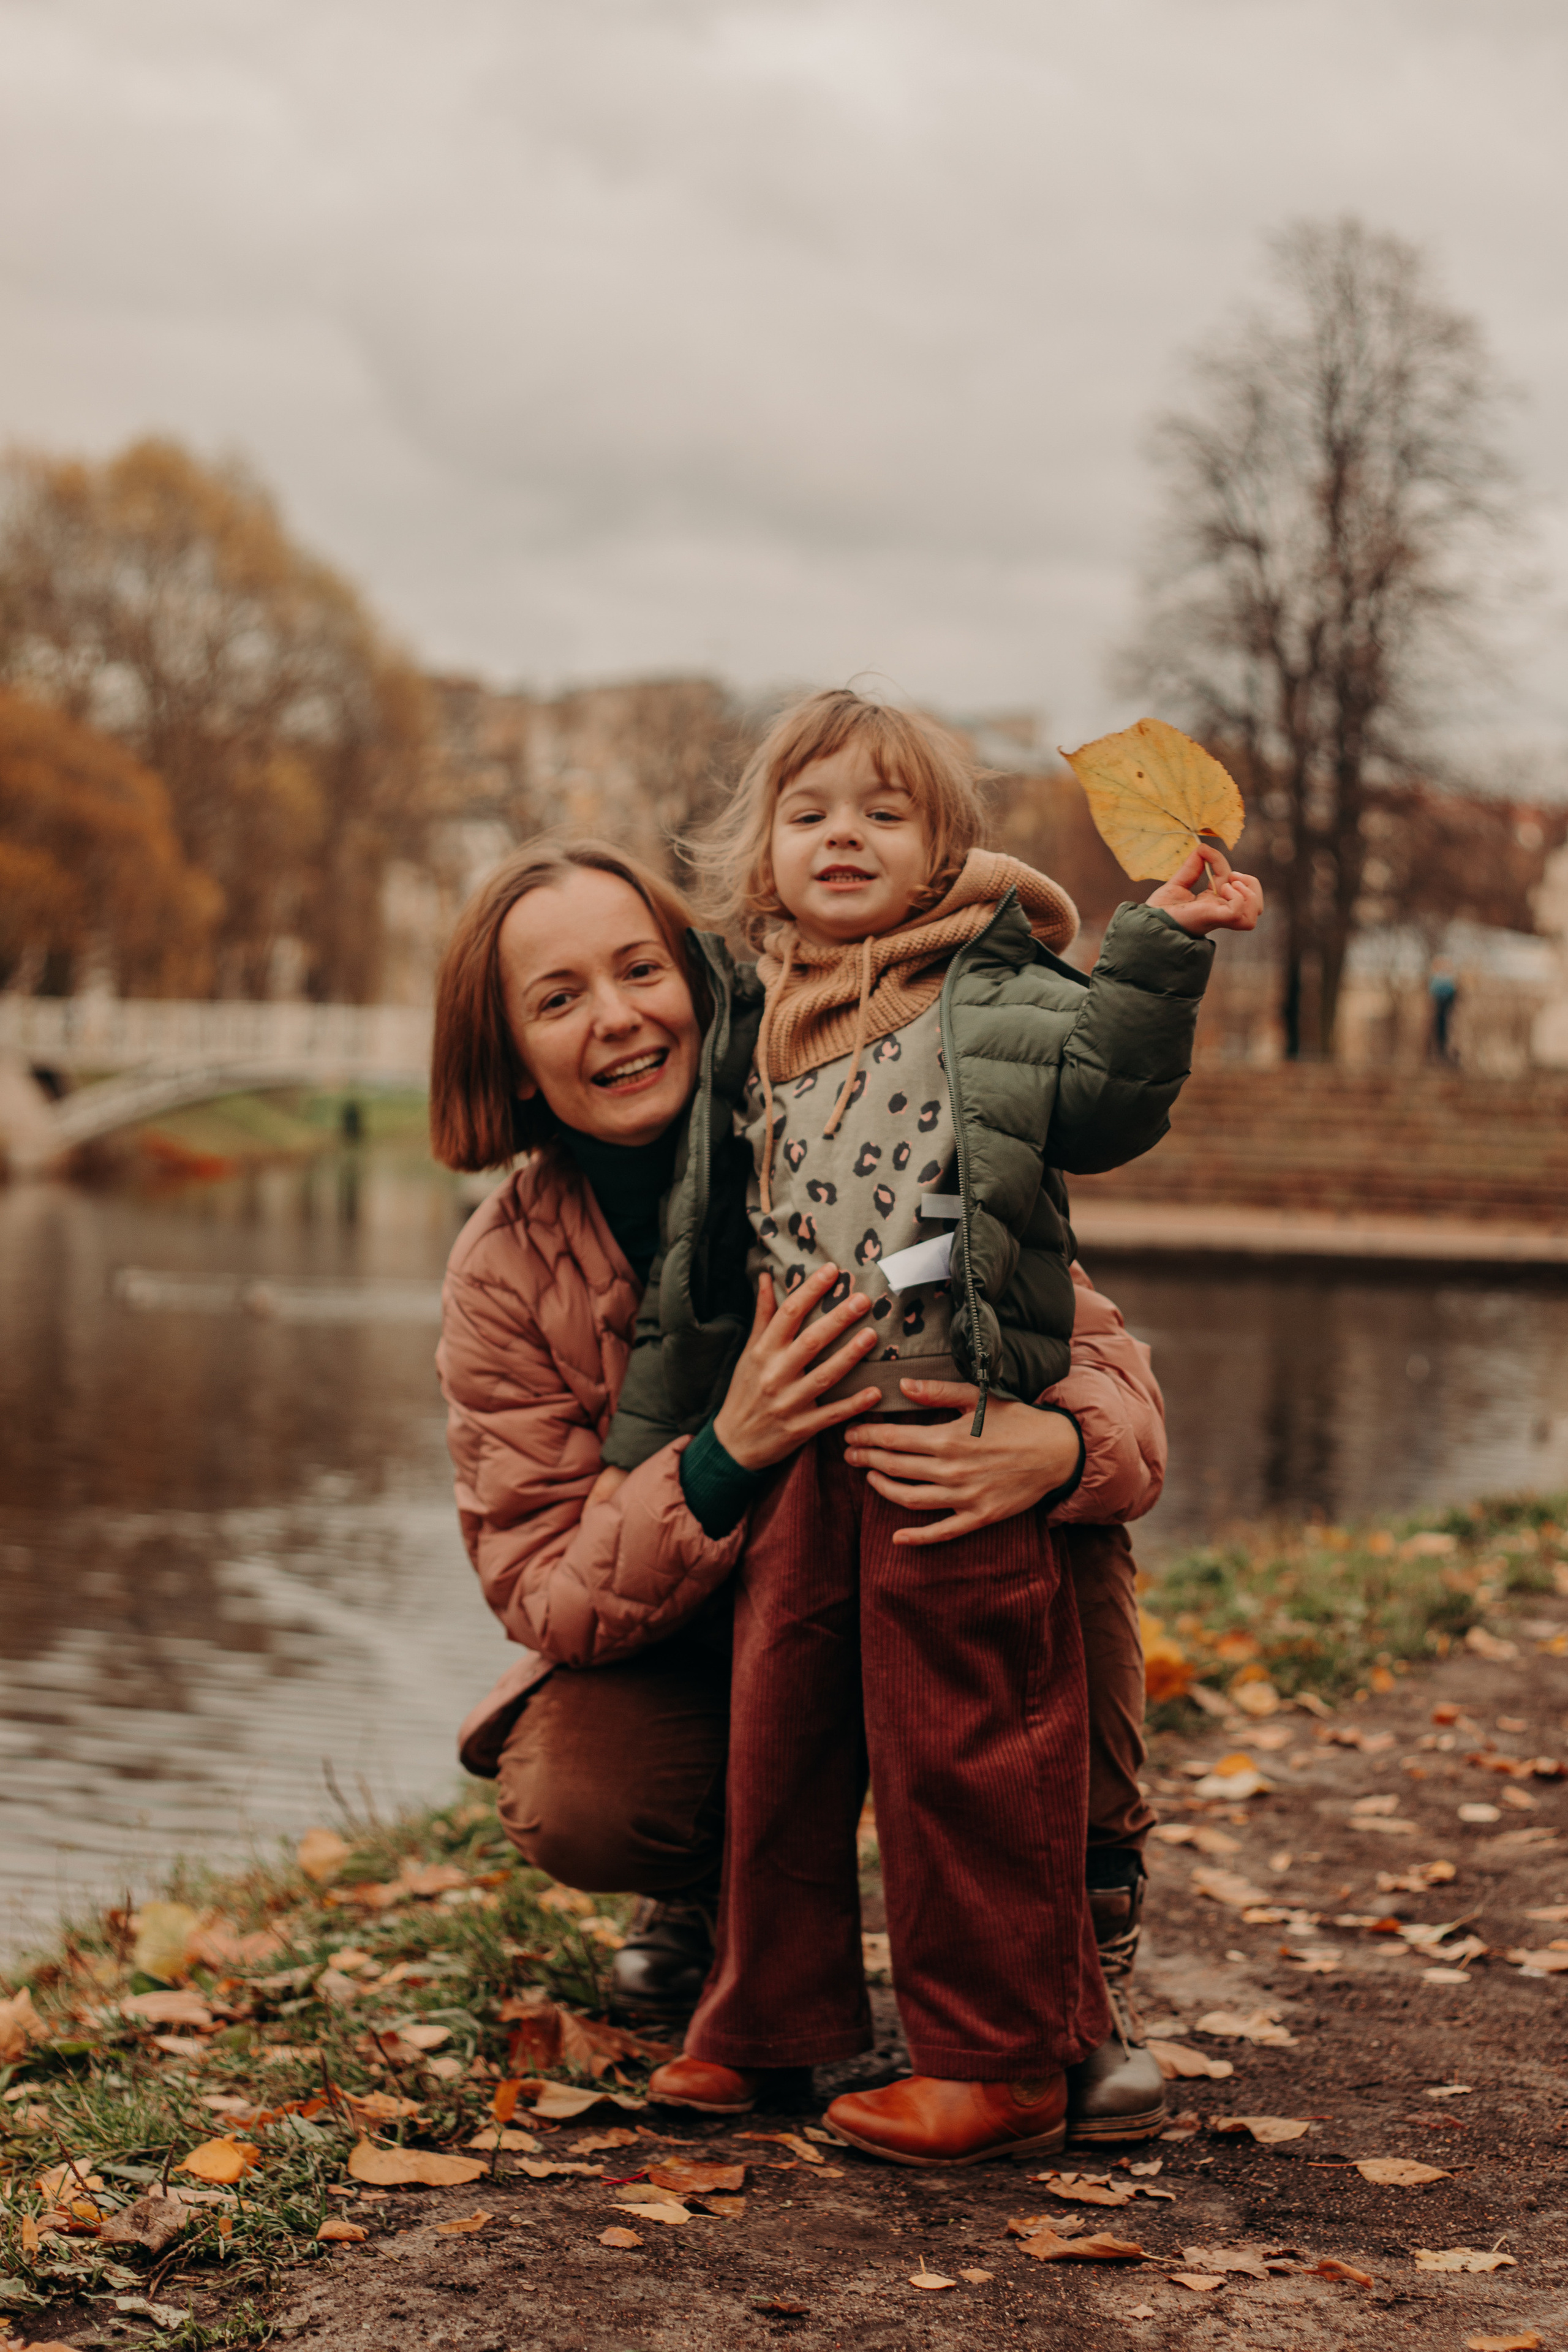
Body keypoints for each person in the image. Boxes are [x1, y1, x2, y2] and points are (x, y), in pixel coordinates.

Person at [599, 690, 1262, 2163]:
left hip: (942, 1421)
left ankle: (1005, 2057)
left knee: (967, 1734)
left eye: (883, 813)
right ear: (762, 851)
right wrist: (649, 1442)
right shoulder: (750, 1019)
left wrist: (1157, 949)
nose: (843, 835)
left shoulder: (998, 988)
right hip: (799, 1430)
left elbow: (1103, 1104)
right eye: (810, 811)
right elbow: (699, 1258)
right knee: (779, 1732)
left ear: (942, 847)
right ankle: (767, 2022)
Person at [431, 836, 1174, 2147]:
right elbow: (540, 1587)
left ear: (698, 979)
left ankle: (1078, 1952)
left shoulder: (846, 1095)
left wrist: (1054, 1452)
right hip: (714, 1632)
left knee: (1061, 1515)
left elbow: (1101, 1368)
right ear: (508, 1054)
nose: (614, 1018)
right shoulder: (506, 1270)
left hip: (922, 1557)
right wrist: (726, 1450)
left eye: (637, 969)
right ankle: (722, 1914)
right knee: (575, 1795)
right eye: (557, 999)